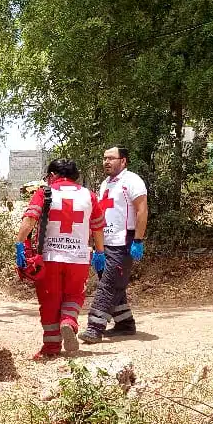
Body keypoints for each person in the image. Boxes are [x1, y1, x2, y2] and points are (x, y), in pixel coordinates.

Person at [14, 159, 106, 359]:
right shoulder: (89, 196)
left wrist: (20, 244)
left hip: (50, 258)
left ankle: (51, 347)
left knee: (49, 300)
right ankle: (68, 321)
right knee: (74, 295)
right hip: (79, 258)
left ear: (53, 175)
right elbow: (98, 227)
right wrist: (100, 252)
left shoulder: (44, 193)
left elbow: (30, 219)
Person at [80, 147, 148, 344]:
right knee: (114, 283)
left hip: (124, 241)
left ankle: (94, 328)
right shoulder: (105, 184)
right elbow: (101, 215)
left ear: (123, 161)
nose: (106, 162)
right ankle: (125, 324)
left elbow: (142, 210)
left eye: (111, 158)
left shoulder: (132, 181)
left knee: (108, 285)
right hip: (106, 243)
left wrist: (138, 240)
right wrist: (96, 245)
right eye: (104, 158)